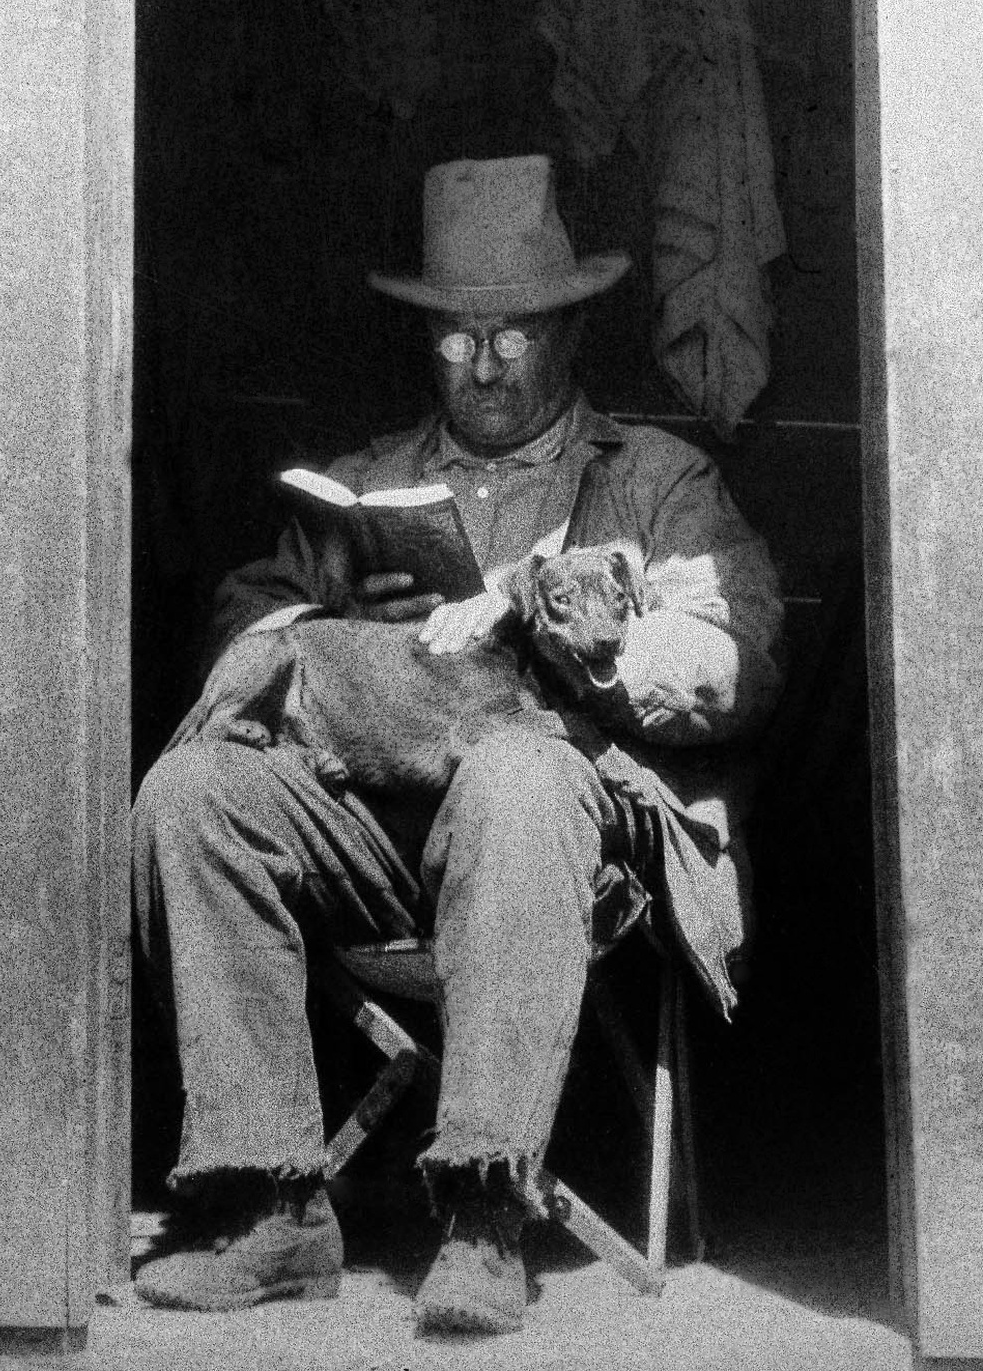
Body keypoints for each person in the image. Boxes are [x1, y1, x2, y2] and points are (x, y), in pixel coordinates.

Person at [132, 154, 784, 1334]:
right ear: (421, 340)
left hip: (566, 852)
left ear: (570, 330)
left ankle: (487, 1211)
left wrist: (577, 625)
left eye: (515, 331)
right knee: (196, 787)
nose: (483, 361)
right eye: (455, 335)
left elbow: (740, 656)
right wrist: (329, 619)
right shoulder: (364, 483)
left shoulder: (649, 478)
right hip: (378, 834)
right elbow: (232, 635)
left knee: (518, 768)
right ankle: (272, 1204)